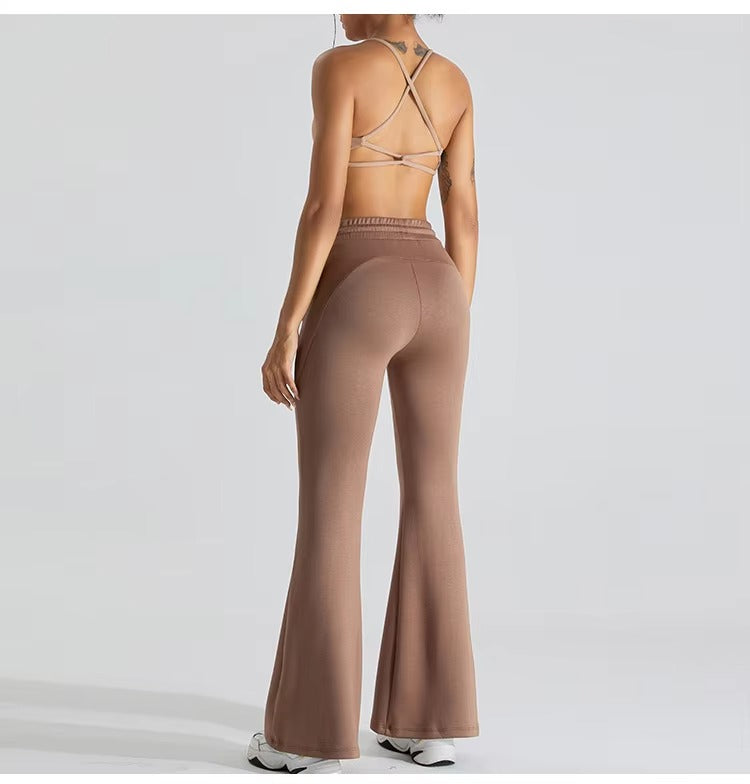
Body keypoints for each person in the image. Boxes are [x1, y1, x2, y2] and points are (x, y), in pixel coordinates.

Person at [248, 13, 479, 774]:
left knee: (332, 508)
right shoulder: (455, 79)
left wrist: (288, 325)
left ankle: (302, 738)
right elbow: (464, 210)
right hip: (442, 287)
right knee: (435, 498)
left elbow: (324, 205)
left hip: (358, 279)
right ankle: (429, 724)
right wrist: (454, 312)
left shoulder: (340, 66)